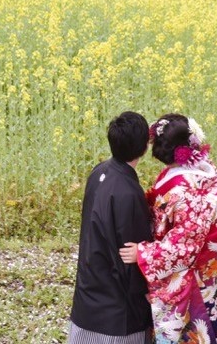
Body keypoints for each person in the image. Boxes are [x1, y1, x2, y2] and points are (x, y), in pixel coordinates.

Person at [118, 114, 217, 344]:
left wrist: (143, 253)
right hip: (214, 270)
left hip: (193, 279)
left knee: (193, 333)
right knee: (212, 325)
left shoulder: (183, 191)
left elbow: (183, 247)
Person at [69, 111, 155, 344]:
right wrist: (148, 293)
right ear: (144, 148)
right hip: (117, 314)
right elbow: (131, 252)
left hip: (89, 291)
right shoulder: (129, 193)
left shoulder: (99, 172)